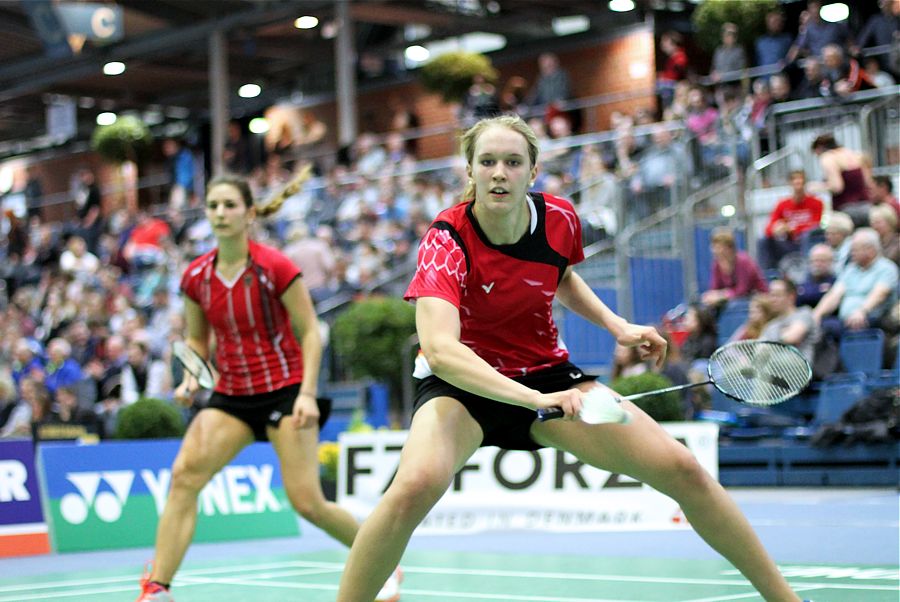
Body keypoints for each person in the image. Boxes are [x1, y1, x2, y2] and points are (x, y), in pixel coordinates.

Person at [335, 115, 804, 602]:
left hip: (547, 373)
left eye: (513, 162)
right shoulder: (446, 240)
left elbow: (559, 275)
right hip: (464, 386)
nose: (500, 173)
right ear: (470, 172)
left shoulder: (559, 219)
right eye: (488, 162)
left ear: (533, 171)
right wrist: (535, 398)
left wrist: (616, 325)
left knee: (683, 469)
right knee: (412, 487)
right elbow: (441, 351)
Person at [136, 174, 401, 602]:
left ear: (249, 213)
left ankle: (385, 563)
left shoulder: (274, 267)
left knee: (308, 503)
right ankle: (158, 588)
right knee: (184, 476)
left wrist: (308, 394)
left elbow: (312, 332)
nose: (220, 214)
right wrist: (191, 377)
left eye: (229, 205)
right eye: (213, 206)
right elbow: (198, 340)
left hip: (285, 390)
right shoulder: (196, 278)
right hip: (232, 395)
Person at [813, 228, 899, 338]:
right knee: (820, 326)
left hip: (872, 318)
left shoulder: (886, 268)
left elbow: (879, 295)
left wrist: (862, 311)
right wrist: (817, 314)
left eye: (855, 250)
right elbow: (834, 295)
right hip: (845, 320)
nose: (851, 254)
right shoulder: (850, 270)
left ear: (871, 250)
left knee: (835, 329)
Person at [757, 170, 824, 271]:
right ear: (790, 184)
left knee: (807, 235)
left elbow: (815, 225)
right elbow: (769, 228)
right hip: (788, 243)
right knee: (763, 240)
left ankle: (807, 272)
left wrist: (791, 229)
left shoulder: (816, 203)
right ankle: (767, 275)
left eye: (801, 181)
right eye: (795, 181)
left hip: (807, 241)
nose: (798, 185)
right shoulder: (782, 204)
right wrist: (777, 229)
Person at [811, 134, 873, 226]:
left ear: (819, 148)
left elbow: (837, 187)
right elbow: (868, 182)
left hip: (846, 209)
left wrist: (818, 188)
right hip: (866, 205)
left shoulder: (828, 158)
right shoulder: (852, 153)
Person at [701, 227, 768, 308]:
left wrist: (722, 295)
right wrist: (711, 296)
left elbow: (742, 290)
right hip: (732, 303)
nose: (714, 250)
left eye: (718, 247)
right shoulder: (716, 265)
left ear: (729, 248)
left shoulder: (744, 261)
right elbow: (714, 288)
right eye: (713, 247)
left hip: (756, 302)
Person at [761, 278, 820, 365]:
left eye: (777, 295)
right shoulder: (771, 325)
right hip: (773, 373)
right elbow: (760, 350)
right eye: (771, 295)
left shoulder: (804, 313)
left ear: (791, 297)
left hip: (800, 372)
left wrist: (770, 342)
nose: (773, 299)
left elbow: (792, 337)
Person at [796, 243, 837, 308]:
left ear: (831, 262)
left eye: (822, 261)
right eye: (815, 260)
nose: (818, 264)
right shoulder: (803, 280)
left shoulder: (835, 281)